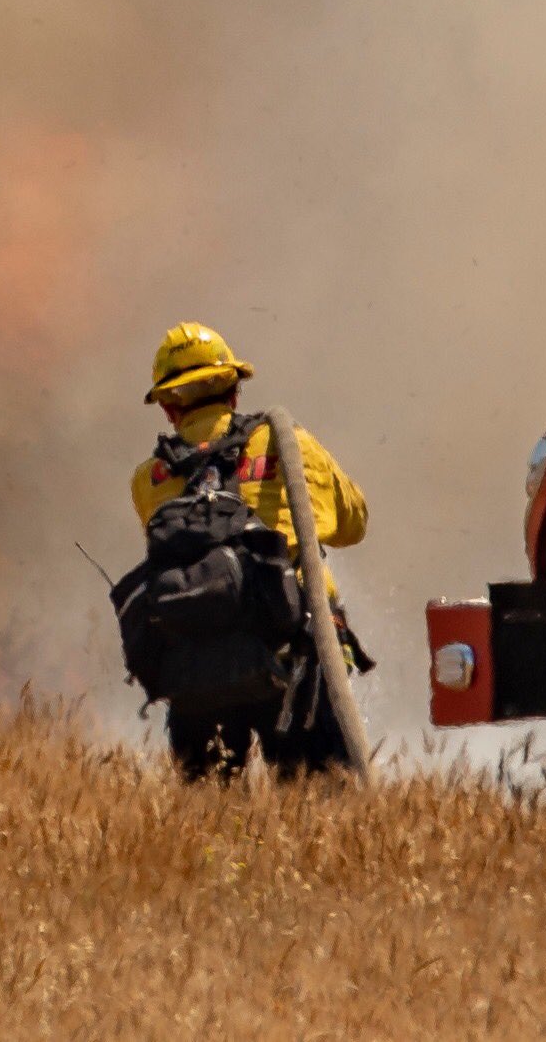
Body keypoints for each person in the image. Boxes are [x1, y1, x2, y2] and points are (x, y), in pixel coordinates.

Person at [130, 322, 372, 780]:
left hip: (195, 670)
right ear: (234, 390)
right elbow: (354, 523)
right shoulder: (289, 444)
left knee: (208, 822)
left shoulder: (149, 481)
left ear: (167, 407)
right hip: (298, 649)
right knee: (325, 813)